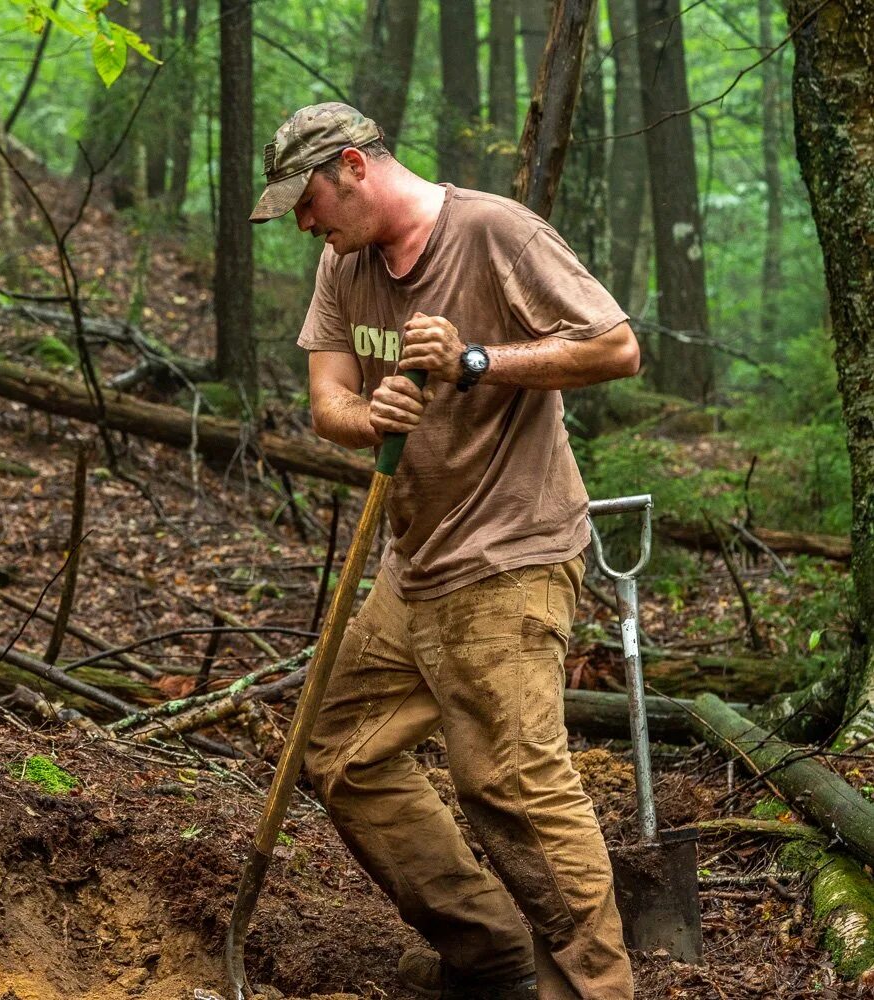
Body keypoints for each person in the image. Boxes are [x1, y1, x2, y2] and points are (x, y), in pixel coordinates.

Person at [250, 103, 640, 1000]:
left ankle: (592, 989)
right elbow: (329, 403)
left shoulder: (494, 231)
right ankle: (493, 958)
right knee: (343, 750)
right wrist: (368, 415)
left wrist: (475, 361)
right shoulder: (341, 265)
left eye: (306, 201)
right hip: (414, 557)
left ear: (351, 166)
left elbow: (614, 347)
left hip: (512, 549)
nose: (304, 223)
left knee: (510, 784)